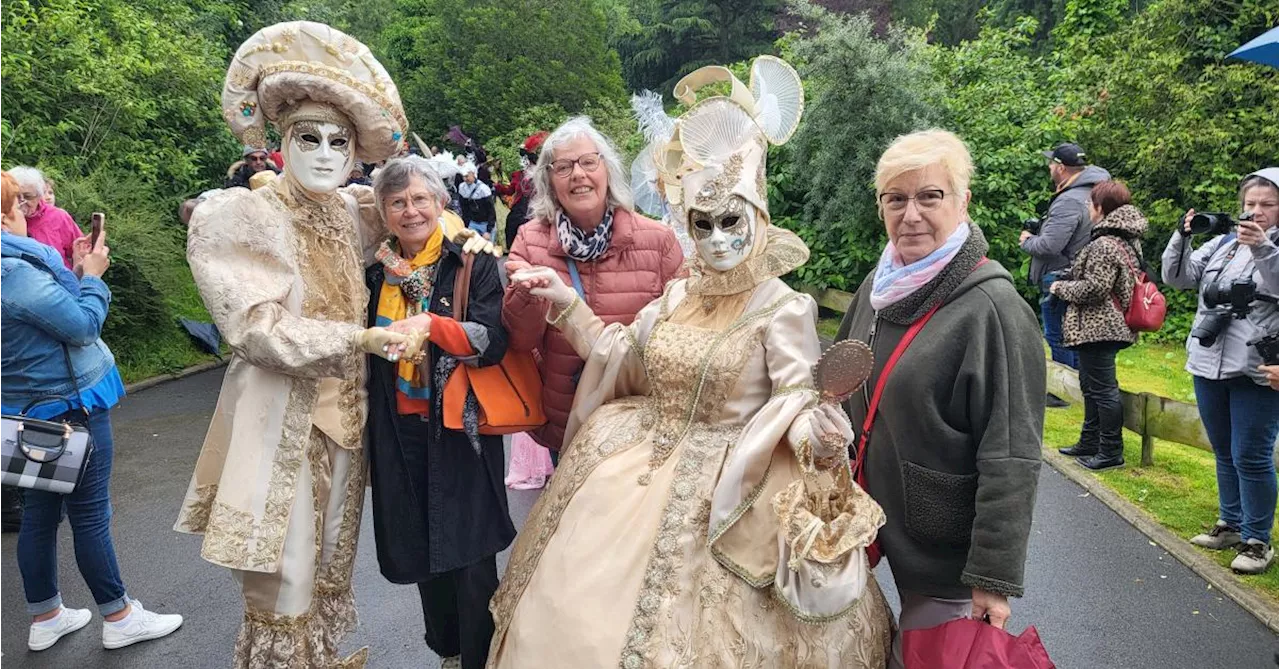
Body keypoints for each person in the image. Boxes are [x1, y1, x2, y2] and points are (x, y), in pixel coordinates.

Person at [495, 56, 891, 668]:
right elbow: (629, 360)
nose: (717, 240)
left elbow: (796, 396)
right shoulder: (680, 292)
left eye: (731, 221)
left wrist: (817, 433)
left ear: (758, 216)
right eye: (701, 225)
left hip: (733, 487)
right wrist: (569, 305)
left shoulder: (782, 306)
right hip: (633, 467)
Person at [173, 22, 414, 667]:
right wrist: (360, 337)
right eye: (310, 138)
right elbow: (254, 326)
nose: (327, 153)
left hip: (347, 419)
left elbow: (408, 219)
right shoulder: (241, 217)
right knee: (282, 571)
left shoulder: (348, 210)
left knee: (332, 558)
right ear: (281, 142)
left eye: (341, 141)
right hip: (279, 415)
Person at [835, 129, 1045, 669]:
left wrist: (992, 580)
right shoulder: (879, 287)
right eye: (896, 198)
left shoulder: (994, 311)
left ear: (963, 202)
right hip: (867, 523)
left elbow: (1011, 456)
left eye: (930, 196)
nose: (911, 214)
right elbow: (843, 378)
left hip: (942, 554)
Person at [0, 172, 185, 652]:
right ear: (4, 217)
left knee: (40, 515)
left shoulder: (18, 270)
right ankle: (119, 616)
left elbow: (40, 323)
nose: (26, 213)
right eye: (19, 207)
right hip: (66, 407)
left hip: (23, 409)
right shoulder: (12, 272)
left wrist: (77, 272)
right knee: (90, 515)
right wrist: (95, 279)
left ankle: (46, 615)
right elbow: (81, 326)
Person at [363, 156, 515, 669]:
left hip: (459, 426)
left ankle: (481, 656)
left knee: (471, 553)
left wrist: (434, 326)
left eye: (420, 199)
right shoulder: (374, 273)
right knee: (425, 547)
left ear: (440, 202)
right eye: (398, 202)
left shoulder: (473, 260)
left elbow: (492, 339)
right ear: (384, 211)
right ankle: (448, 650)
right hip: (400, 426)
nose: (410, 211)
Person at [502, 116, 683, 456]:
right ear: (549, 180)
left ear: (608, 170)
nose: (579, 175)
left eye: (588, 162)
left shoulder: (658, 241)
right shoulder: (532, 241)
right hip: (567, 419)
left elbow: (682, 337)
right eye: (564, 167)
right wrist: (526, 294)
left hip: (637, 419)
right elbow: (521, 340)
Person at [1162, 167, 1280, 575]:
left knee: (1252, 454)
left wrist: (1264, 248)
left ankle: (1257, 540)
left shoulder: (1273, 247)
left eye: (1267, 204)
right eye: (1250, 204)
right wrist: (1183, 234)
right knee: (1224, 449)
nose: (1257, 211)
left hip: (1256, 367)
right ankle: (1230, 523)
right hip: (1210, 361)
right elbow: (1177, 278)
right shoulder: (1223, 245)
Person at [1050, 181, 1147, 471]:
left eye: (1090, 203)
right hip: (1104, 327)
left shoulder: (1105, 244)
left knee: (1103, 390)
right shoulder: (1124, 239)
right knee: (1090, 386)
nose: (1087, 208)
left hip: (1100, 327)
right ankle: (1090, 441)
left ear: (1100, 208)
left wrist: (1059, 287)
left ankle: (1110, 451)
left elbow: (1096, 289)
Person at [1021, 143, 1110, 393]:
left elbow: (1050, 245)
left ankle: (1063, 391)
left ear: (1060, 168)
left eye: (1051, 163)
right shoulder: (1096, 193)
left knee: (1058, 335)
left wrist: (1028, 240)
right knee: (1076, 335)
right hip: (1083, 274)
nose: (1049, 167)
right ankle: (1082, 386)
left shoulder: (1069, 200)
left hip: (1060, 275)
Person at [7, 166, 81, 269]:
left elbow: (81, 252)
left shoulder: (58, 217)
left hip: (57, 280)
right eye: (16, 196)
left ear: (39, 196)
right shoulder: (4, 218)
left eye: (28, 197)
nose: (21, 201)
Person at [495, 132, 547, 250]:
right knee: (512, 225)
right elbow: (510, 190)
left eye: (523, 159)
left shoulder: (540, 175)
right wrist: (497, 187)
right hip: (519, 208)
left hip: (535, 208)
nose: (521, 162)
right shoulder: (518, 175)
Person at [458, 167, 495, 238]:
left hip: (485, 223)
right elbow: (464, 209)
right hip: (472, 223)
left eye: (467, 176)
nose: (465, 179)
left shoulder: (484, 189)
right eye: (463, 177)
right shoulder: (462, 187)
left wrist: (488, 230)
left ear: (473, 174)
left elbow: (491, 211)